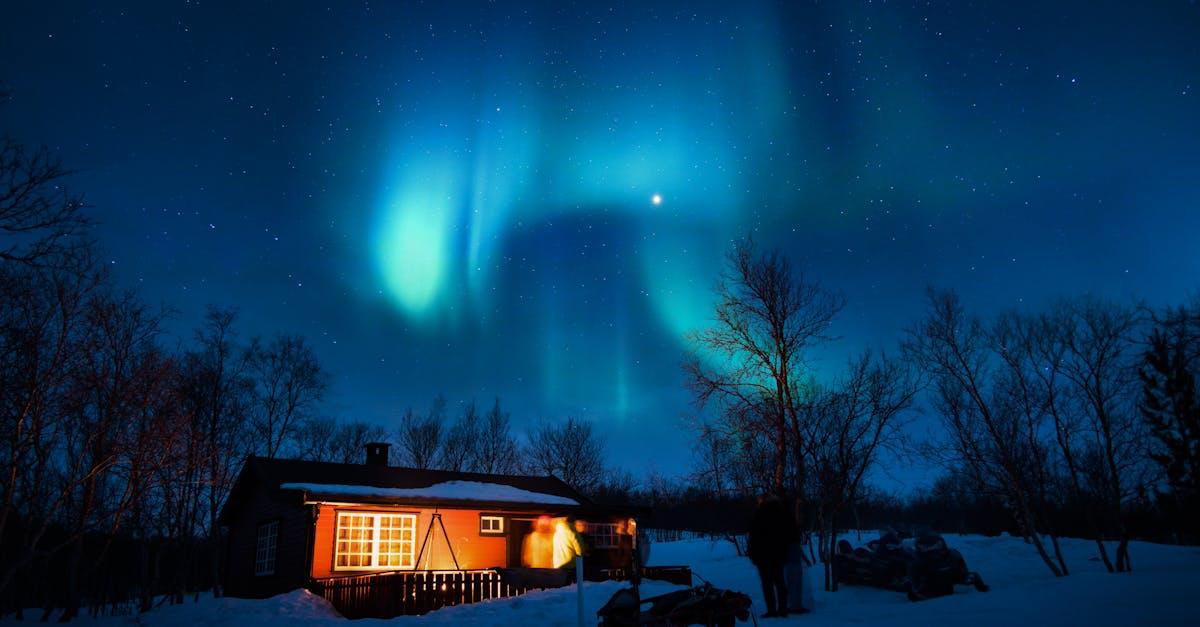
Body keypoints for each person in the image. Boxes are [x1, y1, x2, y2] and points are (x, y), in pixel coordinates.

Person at [748, 495, 797, 618]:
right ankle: (782, 609)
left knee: (767, 583)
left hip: (763, 555)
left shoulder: (760, 514)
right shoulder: (781, 514)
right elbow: (788, 535)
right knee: (779, 582)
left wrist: (753, 554)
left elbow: (754, 536)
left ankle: (772, 610)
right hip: (778, 554)